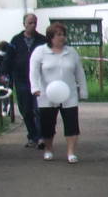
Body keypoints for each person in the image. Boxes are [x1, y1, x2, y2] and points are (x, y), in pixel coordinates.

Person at [29, 21, 88, 163]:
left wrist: (83, 91)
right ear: (51, 37)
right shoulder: (40, 52)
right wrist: (35, 88)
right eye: (58, 35)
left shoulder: (71, 52)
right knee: (47, 124)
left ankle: (71, 152)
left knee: (72, 123)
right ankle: (48, 149)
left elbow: (79, 73)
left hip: (69, 94)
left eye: (63, 35)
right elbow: (34, 72)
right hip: (46, 95)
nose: (62, 37)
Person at [4, 13, 48, 148]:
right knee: (26, 110)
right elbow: (8, 58)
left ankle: (41, 137)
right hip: (21, 79)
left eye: (35, 22)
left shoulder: (42, 40)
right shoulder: (15, 40)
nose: (33, 25)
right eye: (30, 23)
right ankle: (32, 135)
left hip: (38, 80)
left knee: (39, 109)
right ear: (24, 24)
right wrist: (5, 74)